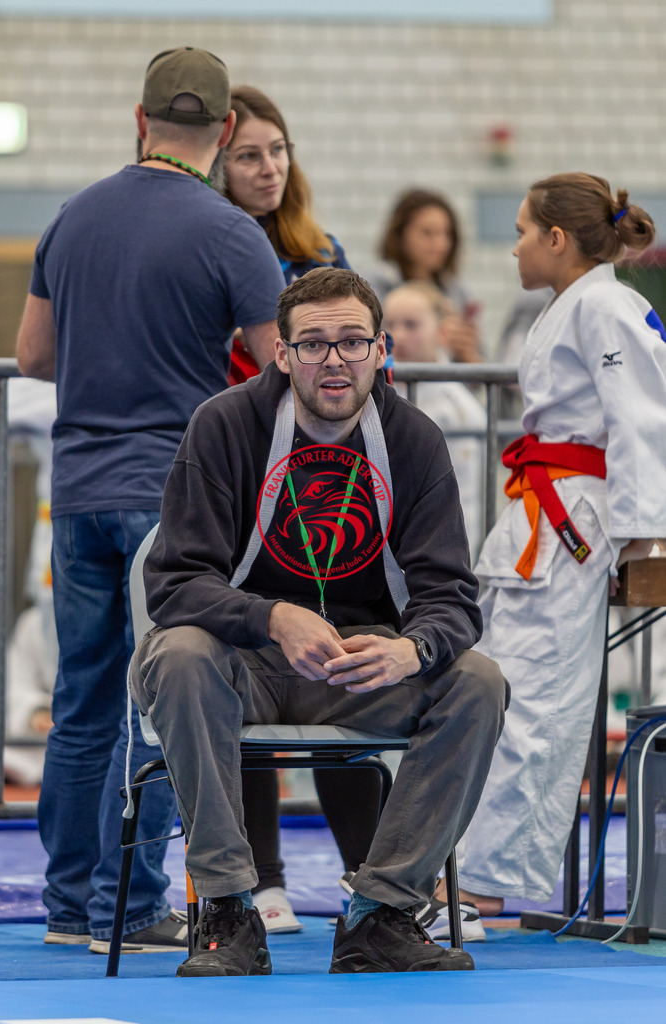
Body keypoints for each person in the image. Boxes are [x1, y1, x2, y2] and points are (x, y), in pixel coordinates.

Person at [130, 266, 509, 976]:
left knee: (477, 682)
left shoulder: (414, 440)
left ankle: (383, 912)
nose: (334, 359)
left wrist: (412, 649)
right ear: (282, 353)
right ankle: (228, 909)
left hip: (359, 669)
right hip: (239, 663)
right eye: (313, 344)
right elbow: (173, 584)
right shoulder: (225, 425)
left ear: (380, 349)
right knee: (178, 654)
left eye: (352, 341)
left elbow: (451, 597)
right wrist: (272, 616)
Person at [15, 46, 285, 954]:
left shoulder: (71, 216)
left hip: (77, 491)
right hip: (169, 495)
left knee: (82, 697)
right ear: (226, 130)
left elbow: (33, 356)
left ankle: (68, 907)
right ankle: (128, 909)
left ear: (140, 121)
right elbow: (282, 369)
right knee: (161, 699)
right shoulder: (230, 233)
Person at [435, 173, 666, 934]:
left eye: (523, 232)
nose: (515, 248)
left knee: (537, 699)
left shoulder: (605, 306)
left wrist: (644, 541)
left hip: (571, 519)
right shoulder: (576, 305)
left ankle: (485, 886)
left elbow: (642, 421)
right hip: (544, 509)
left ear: (557, 239)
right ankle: (466, 867)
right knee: (498, 690)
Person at [220, 84, 383, 933]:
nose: (267, 167)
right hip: (235, 479)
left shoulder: (319, 252)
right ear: (216, 161)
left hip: (323, 486)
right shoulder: (206, 241)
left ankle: (375, 880)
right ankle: (260, 881)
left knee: (339, 652)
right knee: (242, 662)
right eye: (248, 154)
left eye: (277, 150)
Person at [383, 281, 486, 553]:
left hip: (435, 545)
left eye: (411, 325)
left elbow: (466, 497)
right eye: (390, 324)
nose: (398, 335)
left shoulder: (457, 408)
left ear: (442, 332)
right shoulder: (377, 391)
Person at [366, 188, 481, 364]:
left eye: (447, 234)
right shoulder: (373, 288)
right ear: (401, 235)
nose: (441, 244)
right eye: (428, 233)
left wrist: (467, 352)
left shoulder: (458, 293)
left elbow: (477, 366)